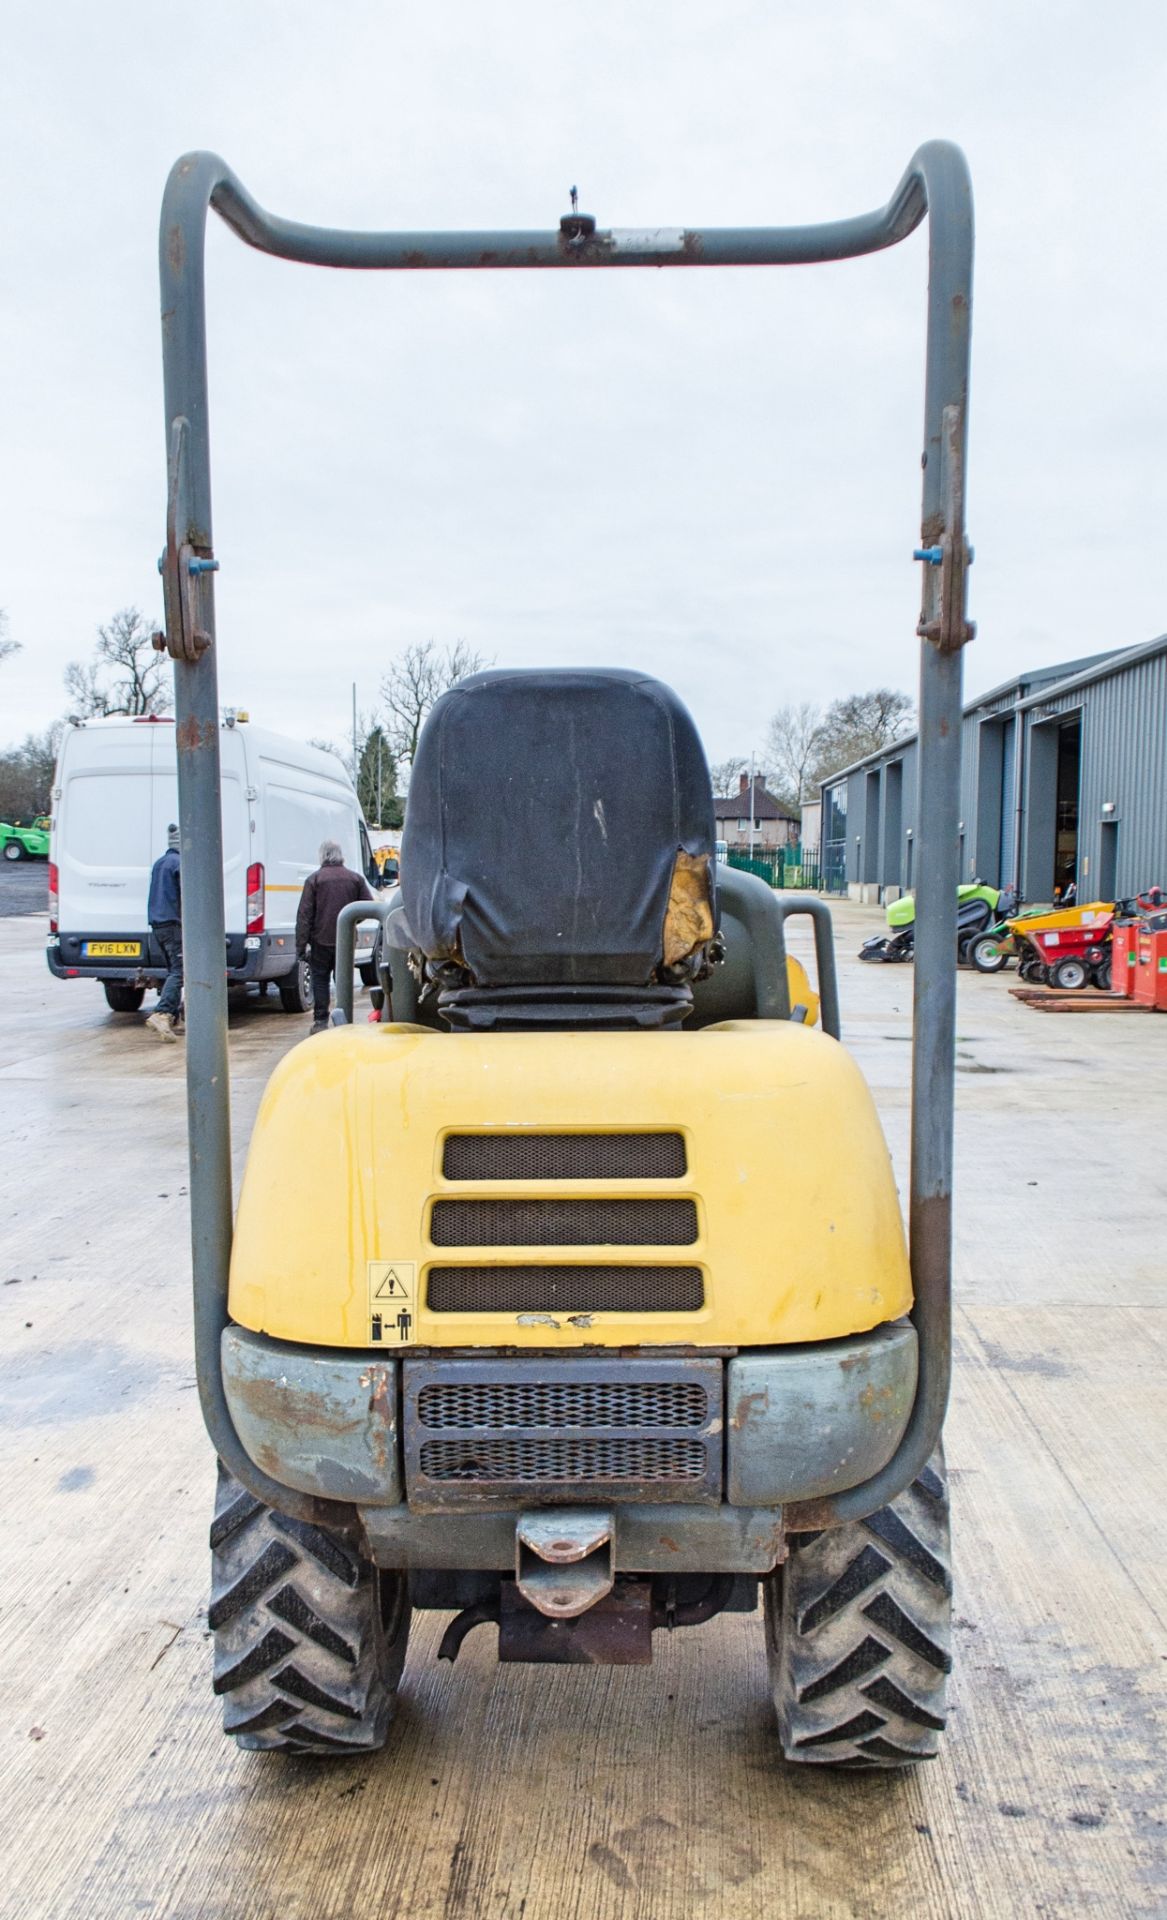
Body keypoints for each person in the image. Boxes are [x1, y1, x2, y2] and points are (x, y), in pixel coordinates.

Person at [296, 839, 373, 1033]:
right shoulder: (355, 879)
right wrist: (352, 923)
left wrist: (301, 946)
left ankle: (321, 1021)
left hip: (320, 940)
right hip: (345, 941)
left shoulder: (314, 880)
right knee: (343, 979)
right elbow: (368, 906)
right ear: (340, 856)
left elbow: (304, 916)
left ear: (322, 856)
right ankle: (344, 1017)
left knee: (320, 979)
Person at [145, 824, 183, 1042]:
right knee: (180, 971)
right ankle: (163, 1013)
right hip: (174, 924)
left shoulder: (160, 863)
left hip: (158, 925)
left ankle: (173, 1016)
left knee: (172, 971)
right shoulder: (179, 864)